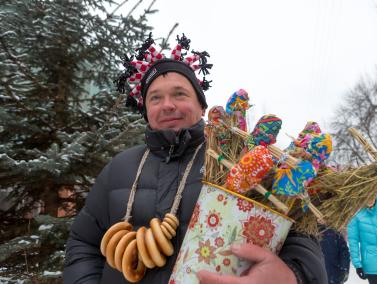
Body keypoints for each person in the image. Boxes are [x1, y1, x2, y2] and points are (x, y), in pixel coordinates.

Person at [63, 36, 327, 283]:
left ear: (201, 105)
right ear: (146, 110)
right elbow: (83, 243)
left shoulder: (239, 159)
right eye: (155, 98)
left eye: (179, 94)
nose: (167, 104)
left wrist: (291, 275)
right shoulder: (119, 168)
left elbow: (300, 235)